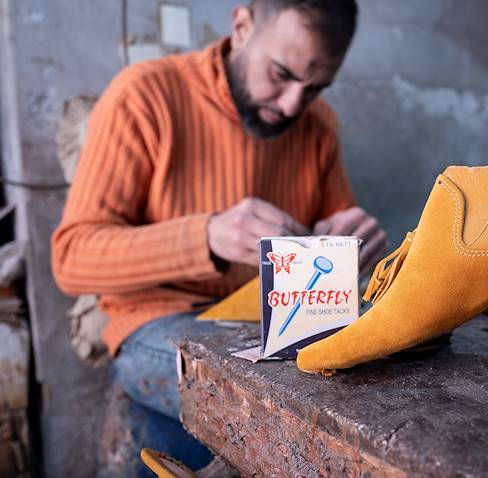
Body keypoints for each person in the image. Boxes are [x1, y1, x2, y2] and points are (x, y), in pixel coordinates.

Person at [51, 0, 385, 472]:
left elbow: (336, 238)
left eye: (315, 88)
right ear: (242, 26)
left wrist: (356, 245)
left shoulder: (319, 125)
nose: (293, 104)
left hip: (270, 322)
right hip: (157, 319)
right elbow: (71, 256)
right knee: (290, 404)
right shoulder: (144, 96)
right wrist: (206, 236)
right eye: (282, 74)